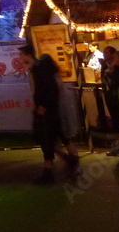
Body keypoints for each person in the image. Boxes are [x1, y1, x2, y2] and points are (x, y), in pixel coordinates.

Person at [19, 44, 80, 184]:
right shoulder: (44, 69)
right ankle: (70, 160)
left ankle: (51, 170)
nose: (20, 58)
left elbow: (43, 89)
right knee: (59, 136)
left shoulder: (39, 69)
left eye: (21, 55)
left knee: (46, 138)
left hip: (46, 109)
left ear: (28, 55)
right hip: (52, 108)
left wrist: (42, 105)